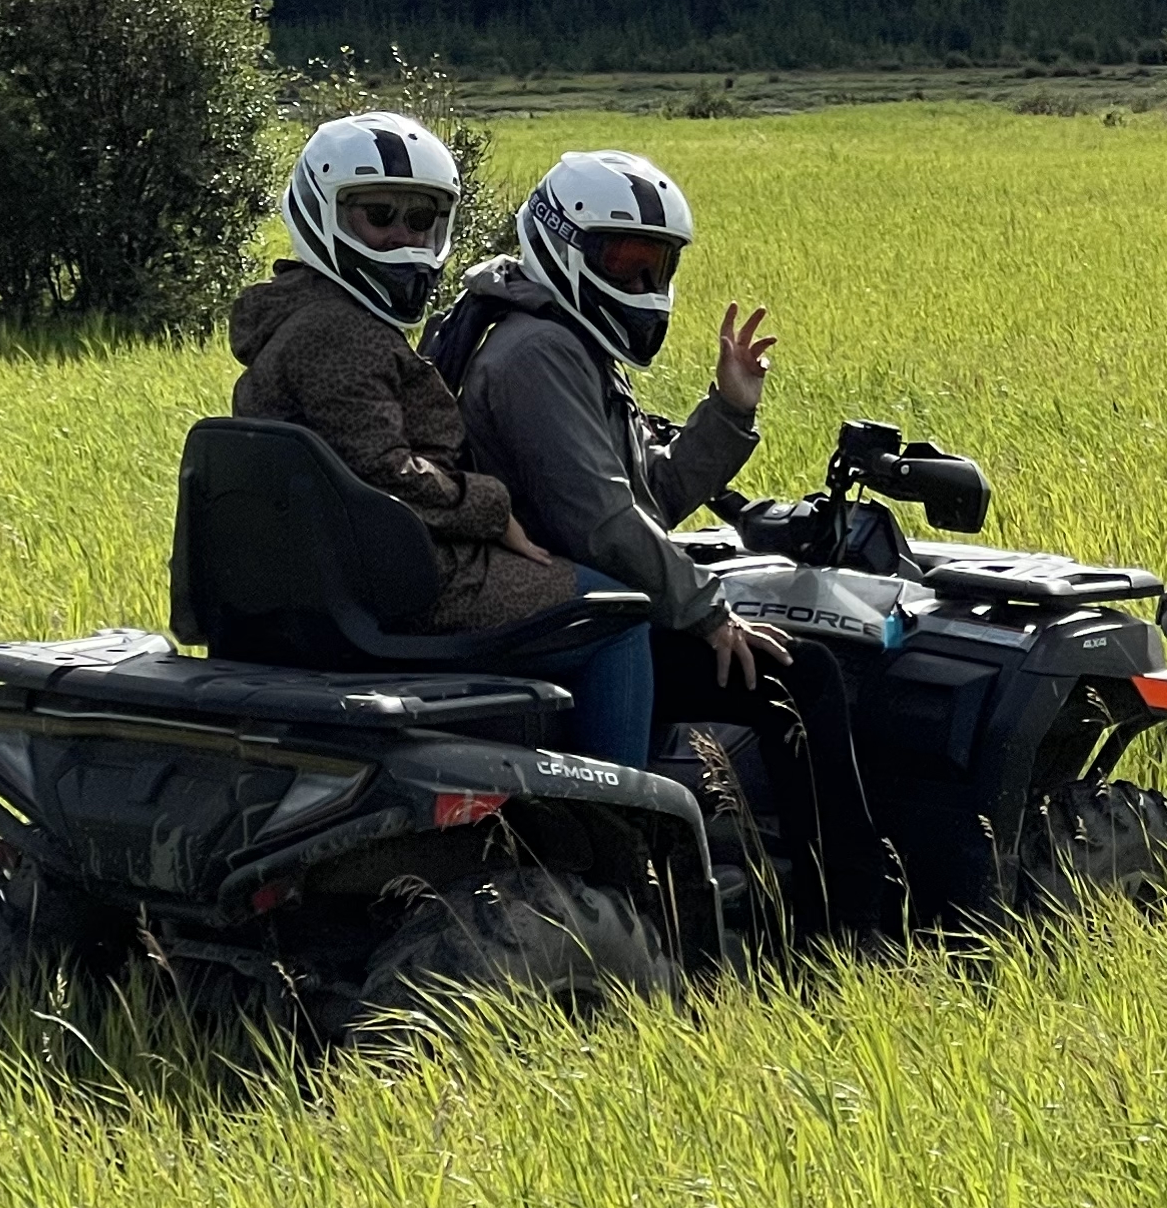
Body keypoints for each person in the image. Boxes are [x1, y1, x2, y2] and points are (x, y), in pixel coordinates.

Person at [229, 115, 655, 764]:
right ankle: (634, 824)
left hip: (347, 581)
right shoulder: (338, 334)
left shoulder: (306, 316)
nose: (403, 237)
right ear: (323, 213)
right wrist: (492, 504)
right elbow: (386, 472)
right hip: (404, 591)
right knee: (617, 615)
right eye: (379, 215)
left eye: (421, 220)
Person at [435, 148, 792, 711]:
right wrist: (706, 610)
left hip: (595, 592)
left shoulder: (569, 343)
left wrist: (728, 409)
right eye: (625, 261)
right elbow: (601, 521)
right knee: (798, 681)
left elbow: (652, 498)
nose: (646, 283)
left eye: (659, 265)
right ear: (564, 244)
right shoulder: (536, 353)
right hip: (561, 616)